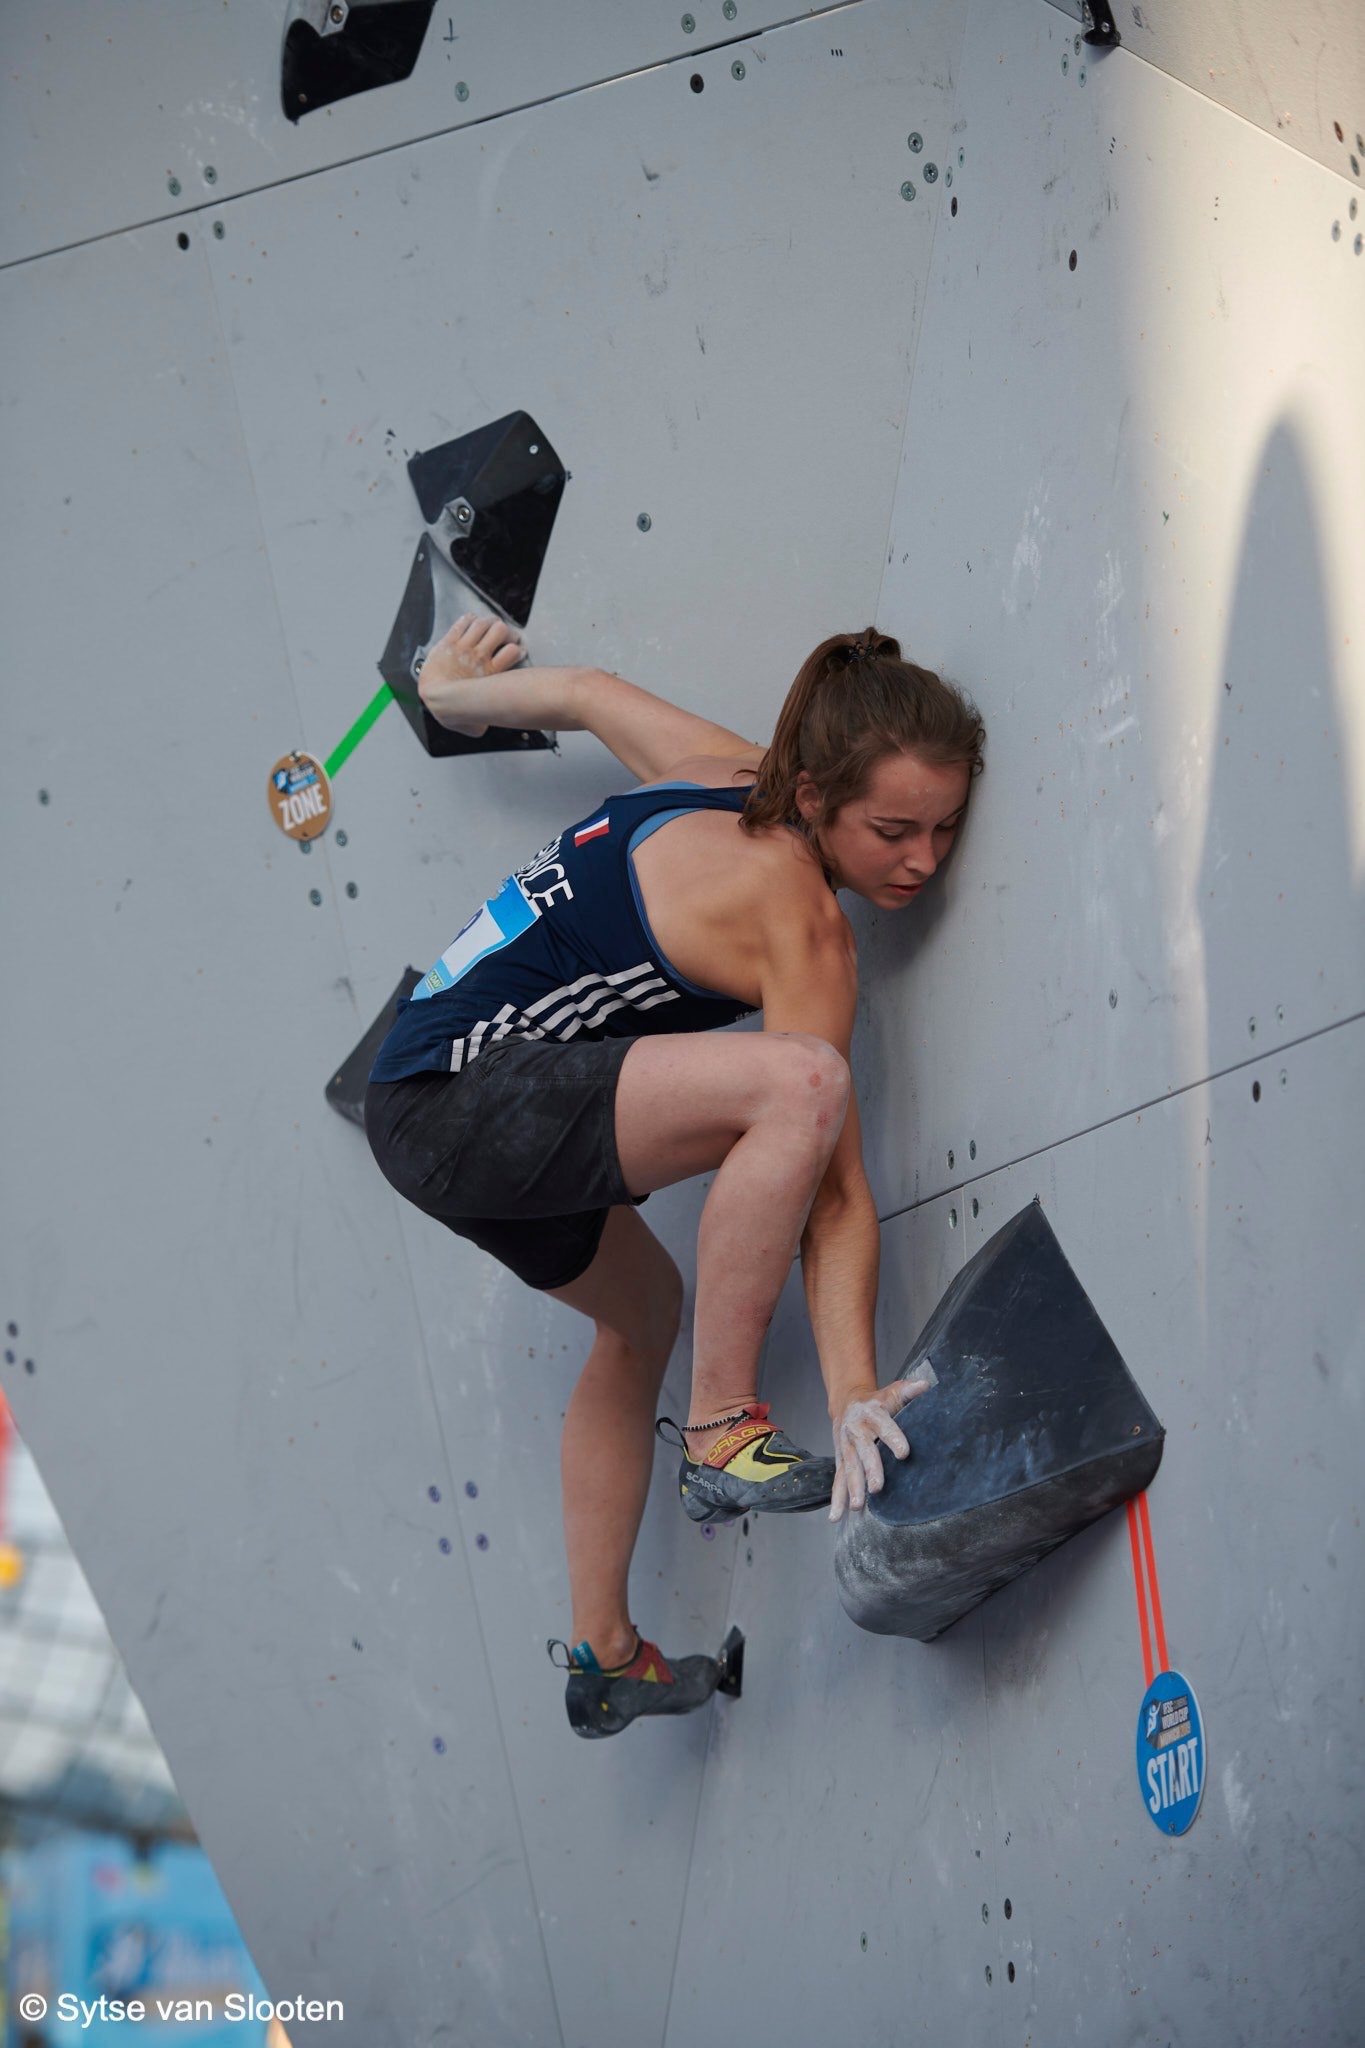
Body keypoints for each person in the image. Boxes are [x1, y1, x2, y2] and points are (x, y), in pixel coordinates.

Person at [364, 613, 985, 1737]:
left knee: (643, 1312)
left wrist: (449, 692)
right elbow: (832, 1192)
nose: (923, 861)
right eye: (893, 830)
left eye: (945, 826)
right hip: (466, 1099)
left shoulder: (725, 767)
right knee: (802, 1084)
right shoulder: (801, 922)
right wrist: (851, 1393)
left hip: (424, 1100)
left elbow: (590, 693)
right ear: (813, 796)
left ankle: (604, 1655)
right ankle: (722, 1429)